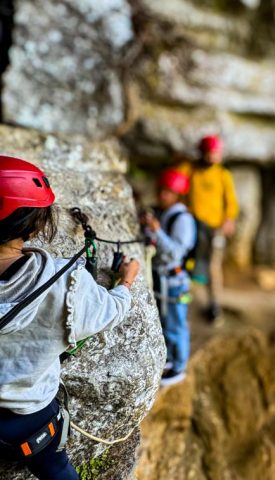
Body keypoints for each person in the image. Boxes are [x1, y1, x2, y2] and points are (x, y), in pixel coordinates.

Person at [0, 156, 140, 480]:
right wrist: (127, 280)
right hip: (32, 422)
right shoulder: (64, 283)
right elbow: (112, 310)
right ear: (34, 224)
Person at [142, 169, 195, 386]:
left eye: (168, 192)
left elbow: (175, 252)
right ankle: (171, 360)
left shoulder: (182, 219)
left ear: (178, 195)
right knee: (165, 322)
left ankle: (180, 366)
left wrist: (157, 232)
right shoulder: (163, 213)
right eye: (161, 191)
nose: (162, 195)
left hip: (174, 279)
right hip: (163, 278)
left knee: (176, 324)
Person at [178, 135, 238, 323]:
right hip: (192, 226)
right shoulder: (191, 170)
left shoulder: (222, 175)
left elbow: (231, 202)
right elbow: (178, 180)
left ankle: (214, 304)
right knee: (187, 264)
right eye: (210, 153)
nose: (213, 157)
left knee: (212, 266)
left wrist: (229, 219)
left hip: (214, 229)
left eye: (216, 153)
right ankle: (184, 301)